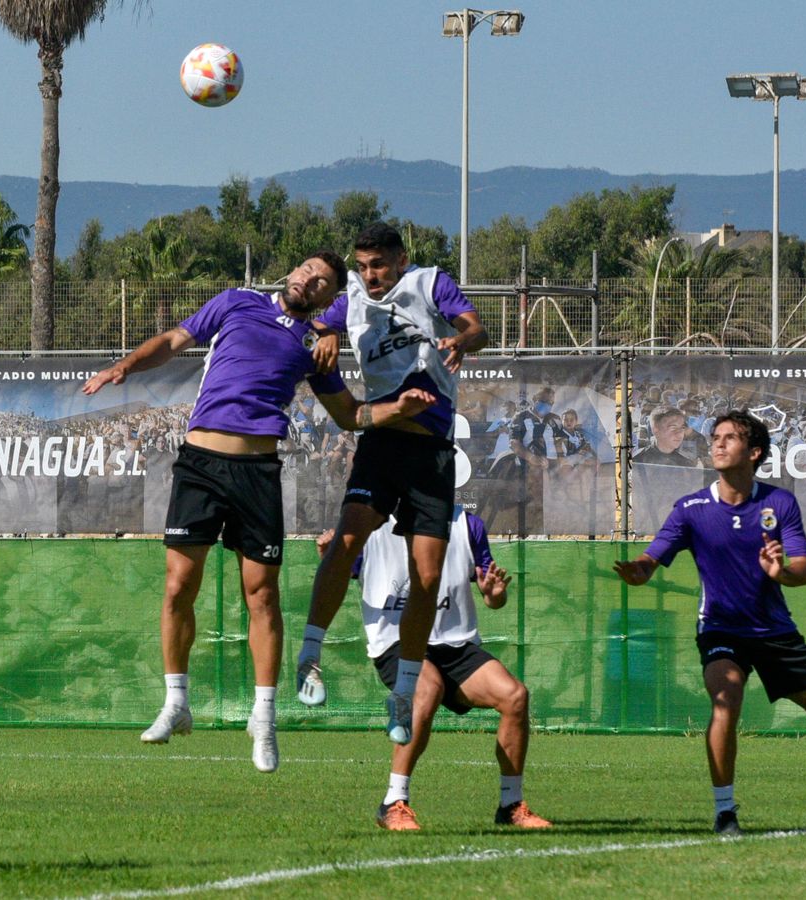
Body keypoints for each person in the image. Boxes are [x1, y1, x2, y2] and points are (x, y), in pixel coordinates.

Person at [81, 253, 433, 774]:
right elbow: (174, 340)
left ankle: (263, 719)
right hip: (200, 464)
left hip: (258, 472)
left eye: (323, 281)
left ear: (326, 298)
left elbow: (349, 414)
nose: (309, 279)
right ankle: (176, 703)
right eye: (306, 269)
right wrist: (125, 365)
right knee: (178, 586)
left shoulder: (314, 346)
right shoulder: (236, 302)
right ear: (293, 273)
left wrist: (397, 409)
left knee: (262, 595)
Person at [612, 411, 806, 836]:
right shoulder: (691, 509)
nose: (717, 444)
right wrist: (639, 571)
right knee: (725, 701)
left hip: (775, 632)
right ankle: (725, 814)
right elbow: (650, 558)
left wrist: (780, 572)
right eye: (715, 437)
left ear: (753, 452)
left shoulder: (779, 503)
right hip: (720, 630)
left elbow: (803, 571)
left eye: (729, 438)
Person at [295, 222, 489, 746]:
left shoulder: (429, 283)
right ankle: (309, 655)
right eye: (362, 266)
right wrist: (327, 332)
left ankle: (404, 691)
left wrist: (461, 339)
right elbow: (317, 323)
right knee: (346, 541)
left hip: (431, 453)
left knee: (426, 575)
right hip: (382, 441)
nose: (370, 275)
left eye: (378, 264)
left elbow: (477, 327)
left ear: (401, 260)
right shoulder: (353, 298)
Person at [319, 505, 551, 832]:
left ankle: (510, 805)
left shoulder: (468, 525)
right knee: (427, 689)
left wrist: (494, 595)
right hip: (396, 641)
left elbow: (492, 596)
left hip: (454, 645)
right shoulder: (370, 525)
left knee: (514, 696)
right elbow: (341, 573)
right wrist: (330, 558)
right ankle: (393, 803)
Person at [633, 406, 699, 467]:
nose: (680, 434)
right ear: (656, 430)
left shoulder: (687, 462)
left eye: (682, 428)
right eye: (673, 428)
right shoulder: (637, 460)